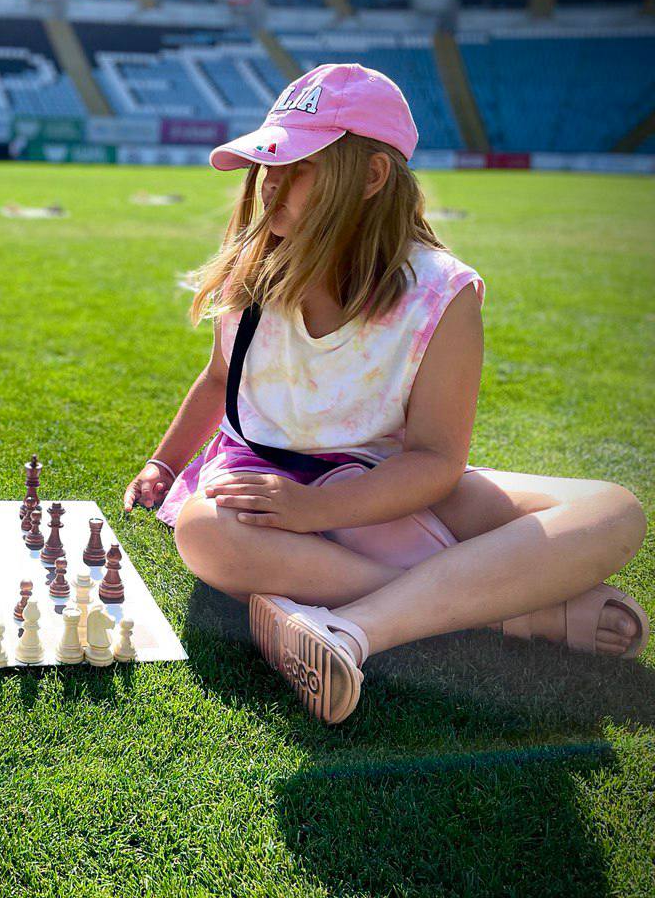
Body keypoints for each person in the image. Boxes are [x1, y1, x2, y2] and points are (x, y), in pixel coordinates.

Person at [125, 64, 648, 725]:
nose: (271, 185)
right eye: (268, 164)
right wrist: (165, 464)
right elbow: (217, 380)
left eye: (297, 165)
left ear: (372, 177)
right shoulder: (257, 269)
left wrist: (317, 510)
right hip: (264, 485)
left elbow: (434, 460)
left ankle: (351, 625)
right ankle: (510, 611)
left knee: (613, 512)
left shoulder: (441, 294)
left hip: (390, 487)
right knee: (204, 531)